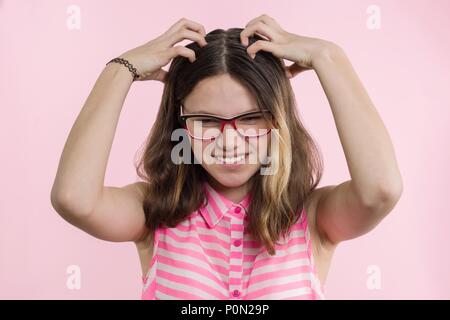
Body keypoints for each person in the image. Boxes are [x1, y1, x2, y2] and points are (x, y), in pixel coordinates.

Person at [51, 15, 403, 300]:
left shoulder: (311, 217)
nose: (229, 141)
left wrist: (329, 56)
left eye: (251, 118)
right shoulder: (154, 211)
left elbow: (381, 190)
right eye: (206, 121)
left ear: (279, 118)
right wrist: (120, 69)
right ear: (181, 124)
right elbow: (74, 199)